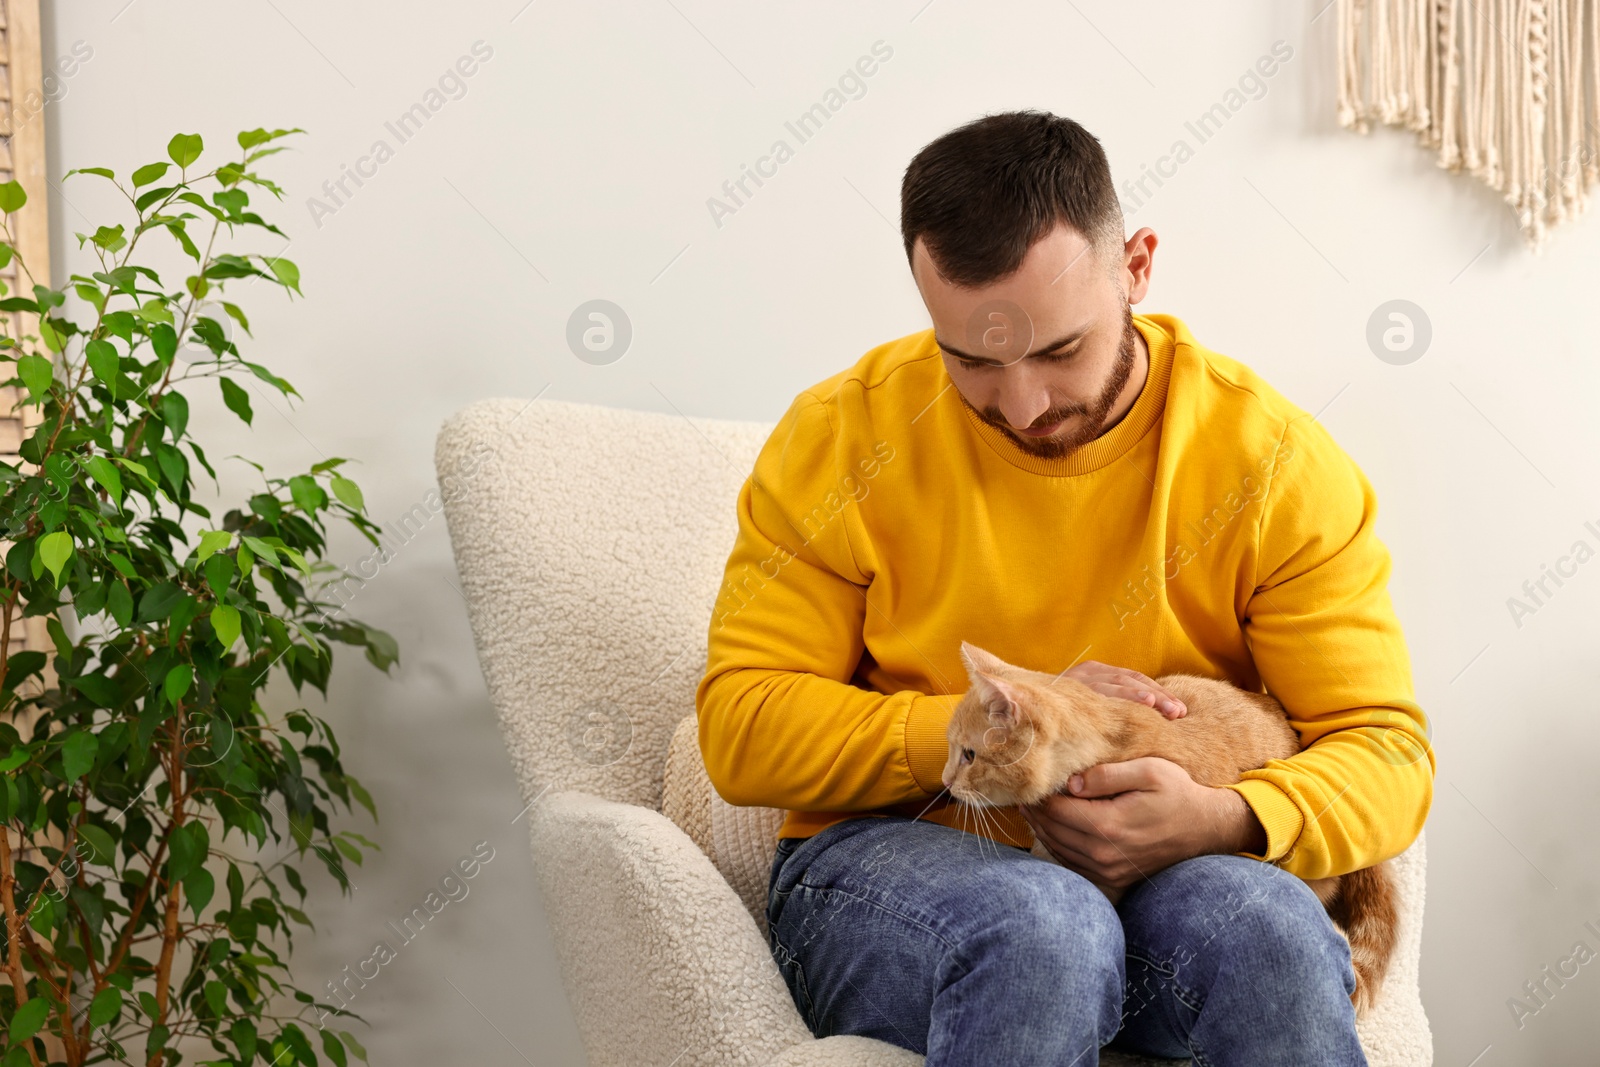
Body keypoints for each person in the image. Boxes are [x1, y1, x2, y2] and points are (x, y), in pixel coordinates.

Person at [693, 109, 1433, 1066]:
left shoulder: (1274, 465)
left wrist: (1226, 817)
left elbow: (1385, 753)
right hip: (893, 868)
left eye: (1058, 350)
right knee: (1045, 931)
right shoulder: (840, 437)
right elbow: (741, 729)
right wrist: (1002, 720)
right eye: (972, 361)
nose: (1024, 405)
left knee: (1270, 935)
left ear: (1136, 265)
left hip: (1175, 869)